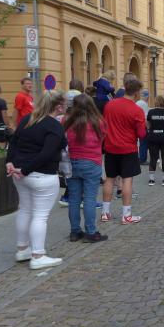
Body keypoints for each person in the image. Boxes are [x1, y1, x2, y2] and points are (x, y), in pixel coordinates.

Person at [6, 90, 67, 270]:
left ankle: (22, 249)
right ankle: (38, 255)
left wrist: (10, 162)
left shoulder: (28, 119)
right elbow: (47, 153)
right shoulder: (54, 126)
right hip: (41, 175)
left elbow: (13, 142)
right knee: (40, 215)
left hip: (20, 174)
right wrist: (25, 170)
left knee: (25, 210)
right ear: (58, 107)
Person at [100, 78, 146, 224]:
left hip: (110, 147)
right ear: (137, 93)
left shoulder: (109, 105)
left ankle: (105, 213)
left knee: (109, 179)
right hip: (128, 149)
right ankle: (126, 215)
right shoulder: (137, 110)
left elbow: (104, 125)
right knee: (127, 180)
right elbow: (142, 134)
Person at [63, 94, 108, 243]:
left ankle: (75, 232)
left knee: (74, 198)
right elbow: (102, 139)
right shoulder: (98, 122)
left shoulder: (68, 122)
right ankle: (91, 232)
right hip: (92, 162)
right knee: (89, 198)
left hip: (72, 163)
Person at [146, 95, 164, 187]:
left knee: (153, 158)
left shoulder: (151, 112)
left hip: (153, 137)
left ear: (155, 102)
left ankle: (151, 180)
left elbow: (148, 125)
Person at [136, 90, 150, 163]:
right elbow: (145, 117)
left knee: (140, 143)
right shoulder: (144, 104)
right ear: (146, 96)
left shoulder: (137, 102)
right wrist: (148, 128)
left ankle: (140, 157)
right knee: (144, 143)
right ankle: (143, 159)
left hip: (136, 125)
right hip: (142, 126)